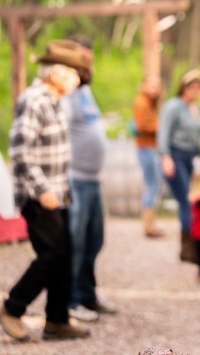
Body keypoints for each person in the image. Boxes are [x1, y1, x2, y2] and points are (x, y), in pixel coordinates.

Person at [1, 40, 91, 341]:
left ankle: (57, 319)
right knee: (51, 254)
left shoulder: (54, 100)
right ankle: (12, 307)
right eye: (73, 72)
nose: (77, 79)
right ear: (56, 72)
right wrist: (42, 190)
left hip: (59, 191)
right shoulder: (34, 99)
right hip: (39, 194)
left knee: (64, 253)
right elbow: (20, 150)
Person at [61, 37, 116, 323]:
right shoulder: (65, 95)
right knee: (76, 242)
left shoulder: (85, 92)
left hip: (93, 180)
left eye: (90, 60)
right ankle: (70, 301)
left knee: (94, 241)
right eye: (83, 60)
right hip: (75, 180)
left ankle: (88, 294)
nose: (88, 66)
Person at [157, 69, 200, 263]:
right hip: (176, 155)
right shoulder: (173, 106)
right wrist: (165, 157)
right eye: (191, 86)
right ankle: (188, 247)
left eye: (197, 87)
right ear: (183, 87)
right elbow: (164, 132)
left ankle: (194, 241)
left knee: (194, 199)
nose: (194, 90)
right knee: (186, 200)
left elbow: (198, 135)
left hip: (191, 156)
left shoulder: (197, 108)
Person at [133, 75, 165, 238]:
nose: (155, 89)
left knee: (153, 185)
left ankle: (151, 223)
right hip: (146, 147)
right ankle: (148, 225)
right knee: (151, 185)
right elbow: (141, 124)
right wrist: (159, 126)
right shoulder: (141, 102)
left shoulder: (151, 102)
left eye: (156, 86)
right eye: (151, 86)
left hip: (150, 147)